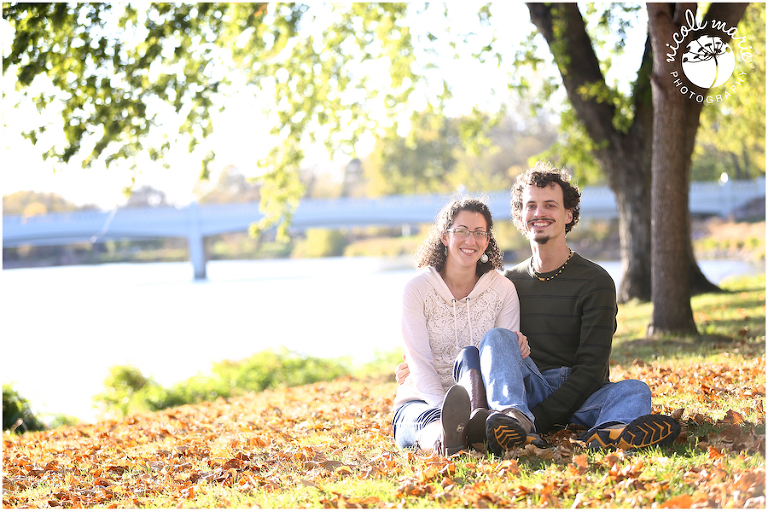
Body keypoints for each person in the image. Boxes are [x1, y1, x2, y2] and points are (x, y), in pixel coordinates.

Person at [397, 161, 681, 454]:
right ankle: (514, 420)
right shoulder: (508, 283)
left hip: (579, 392)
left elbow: (592, 370)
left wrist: (543, 420)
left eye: (550, 205)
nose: (539, 213)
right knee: (497, 338)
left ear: (569, 214)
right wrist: (418, 364)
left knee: (635, 389)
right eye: (531, 206)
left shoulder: (596, 281)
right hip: (523, 391)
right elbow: (479, 343)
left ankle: (607, 433)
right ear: (521, 216)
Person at [392, 196, 531, 456]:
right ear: (445, 237)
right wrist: (446, 410)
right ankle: (445, 441)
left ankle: (473, 429)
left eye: (479, 233)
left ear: (487, 241)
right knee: (423, 422)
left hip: (481, 403)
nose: (471, 240)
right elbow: (419, 364)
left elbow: (502, 362)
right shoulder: (417, 290)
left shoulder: (502, 290)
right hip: (422, 398)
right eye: (462, 231)